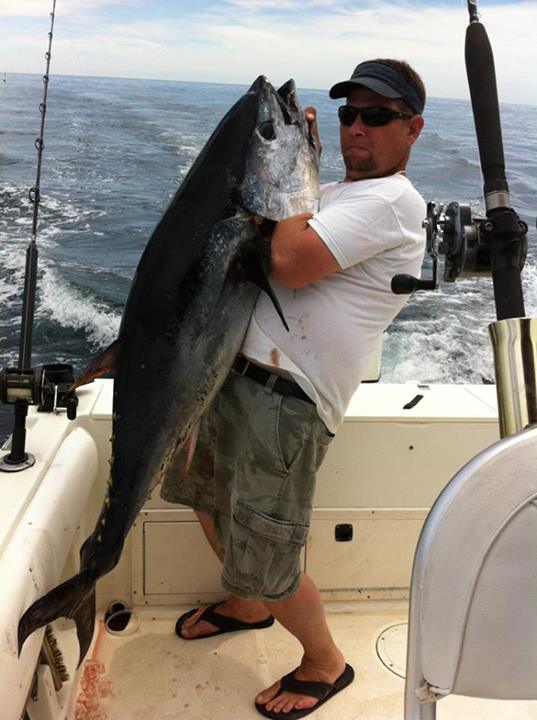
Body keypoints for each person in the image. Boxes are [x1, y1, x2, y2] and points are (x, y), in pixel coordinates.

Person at [161, 58, 426, 719]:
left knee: (266, 550)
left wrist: (287, 172)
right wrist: (297, 169)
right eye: (348, 114)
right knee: (202, 497)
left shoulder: (392, 202)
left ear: (412, 128)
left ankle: (324, 661)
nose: (356, 127)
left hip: (286, 400)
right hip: (233, 375)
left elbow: (286, 260)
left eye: (376, 116)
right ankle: (246, 604)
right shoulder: (330, 192)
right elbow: (261, 231)